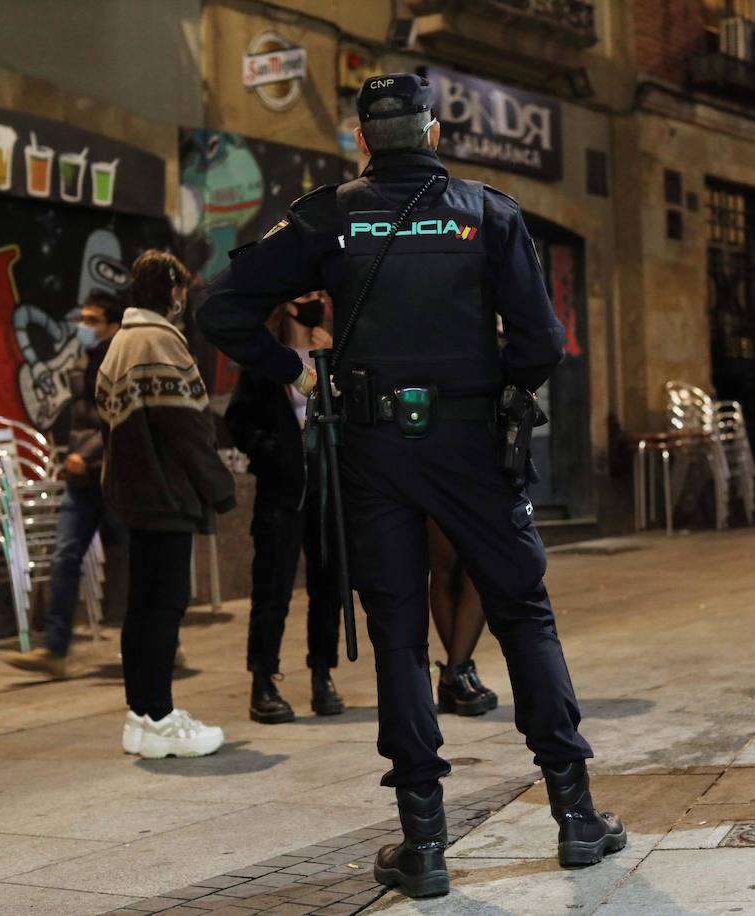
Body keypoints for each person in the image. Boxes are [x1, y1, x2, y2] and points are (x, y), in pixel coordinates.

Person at [197, 73, 624, 898]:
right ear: (434, 133)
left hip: (374, 446)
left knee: (396, 632)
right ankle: (576, 819)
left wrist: (292, 365)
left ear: (361, 140)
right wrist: (500, 385)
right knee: (524, 612)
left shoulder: (325, 214)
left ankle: (423, 844)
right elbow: (542, 340)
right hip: (472, 445)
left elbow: (221, 309)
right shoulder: (488, 212)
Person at [97, 250, 235, 759]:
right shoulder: (157, 342)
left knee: (143, 607)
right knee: (165, 606)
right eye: (182, 291)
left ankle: (141, 715)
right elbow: (185, 430)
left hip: (136, 495)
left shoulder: (121, 343)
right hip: (166, 494)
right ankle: (159, 716)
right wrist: (220, 488)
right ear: (172, 292)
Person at [224, 293, 346, 723]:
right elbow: (238, 421)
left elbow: (350, 413)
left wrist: (332, 359)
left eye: (319, 295)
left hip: (328, 489)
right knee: (272, 589)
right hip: (283, 490)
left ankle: (322, 675)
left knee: (328, 587)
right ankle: (263, 682)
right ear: (287, 304)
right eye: (305, 296)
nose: (315, 302)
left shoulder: (334, 350)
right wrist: (272, 452)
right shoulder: (267, 358)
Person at [6, 291, 127, 678]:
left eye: (92, 320)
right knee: (65, 556)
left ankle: (163, 641)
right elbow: (81, 419)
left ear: (112, 325)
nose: (84, 327)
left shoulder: (118, 360)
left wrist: (88, 454)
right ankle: (55, 650)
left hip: (113, 477)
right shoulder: (81, 359)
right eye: (83, 318)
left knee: (138, 560)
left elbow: (117, 417)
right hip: (80, 481)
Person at [428, 519, 498, 715]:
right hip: (435, 490)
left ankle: (454, 674)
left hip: (480, 490)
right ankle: (458, 673)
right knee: (445, 566)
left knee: (479, 569)